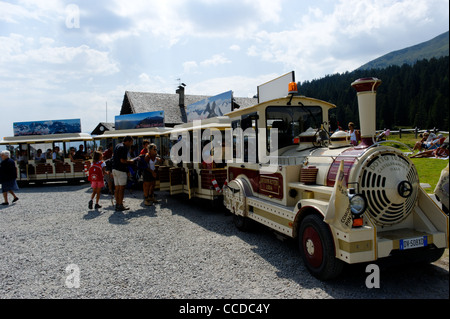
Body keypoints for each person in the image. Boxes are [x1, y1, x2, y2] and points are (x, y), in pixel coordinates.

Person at [112, 136, 135, 211]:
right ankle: (120, 205)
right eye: (131, 142)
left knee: (117, 188)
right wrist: (130, 162)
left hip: (114, 168)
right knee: (121, 189)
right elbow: (122, 160)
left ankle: (117, 203)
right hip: (121, 170)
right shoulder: (124, 148)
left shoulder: (117, 145)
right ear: (127, 141)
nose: (131, 144)